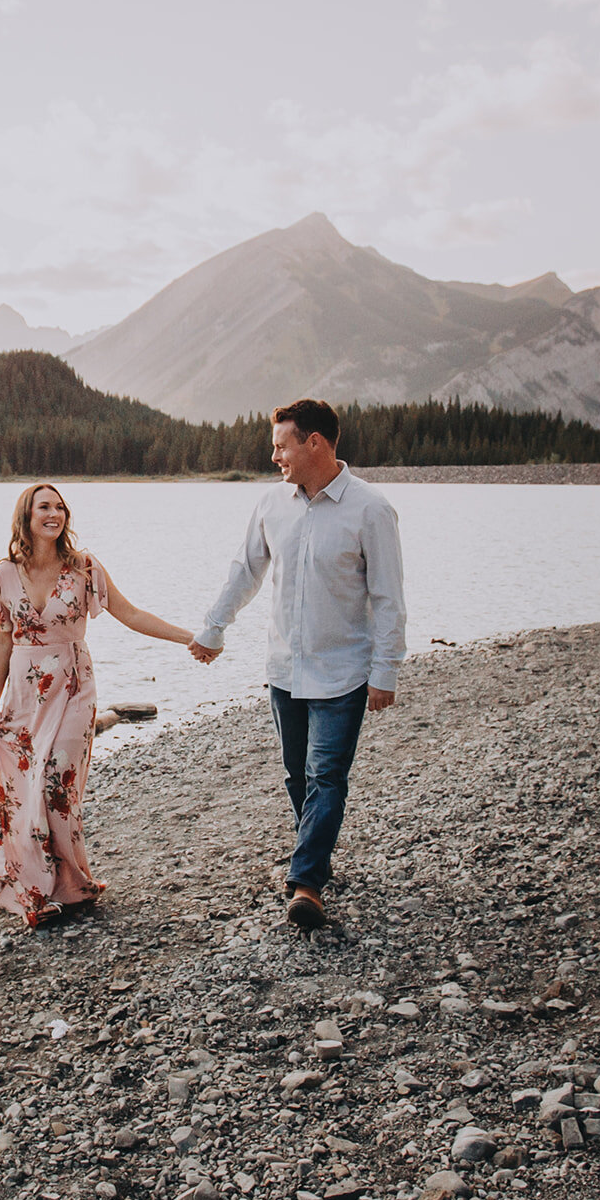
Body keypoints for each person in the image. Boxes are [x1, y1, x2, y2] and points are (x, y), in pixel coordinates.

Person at [190, 398, 406, 929]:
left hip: (344, 673)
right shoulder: (271, 504)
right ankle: (316, 850)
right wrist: (214, 627)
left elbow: (388, 598)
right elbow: (245, 571)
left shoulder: (371, 509)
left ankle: (307, 881)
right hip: (284, 668)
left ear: (315, 443)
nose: (274, 456)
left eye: (281, 445)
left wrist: (386, 671)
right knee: (296, 775)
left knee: (325, 776)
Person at [0, 481, 195, 927]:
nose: (54, 514)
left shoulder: (84, 568)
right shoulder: (4, 572)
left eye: (60, 507)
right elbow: (3, 640)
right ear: (26, 516)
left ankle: (72, 882)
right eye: (44, 507)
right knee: (24, 791)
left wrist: (192, 637)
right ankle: (39, 889)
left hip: (74, 687)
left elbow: (130, 614)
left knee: (57, 780)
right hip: (23, 694)